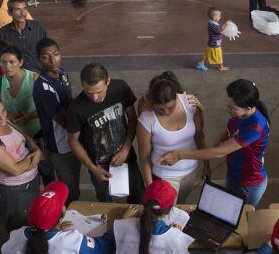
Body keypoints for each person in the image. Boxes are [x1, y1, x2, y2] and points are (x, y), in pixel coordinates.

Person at [160, 79, 270, 207]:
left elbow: (219, 153)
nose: (226, 108)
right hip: (234, 173)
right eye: (228, 104)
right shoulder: (240, 114)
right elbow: (232, 127)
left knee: (239, 218)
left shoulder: (255, 127)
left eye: (232, 107)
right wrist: (220, 138)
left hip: (248, 183)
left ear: (248, 108)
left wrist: (178, 155)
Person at [67, 63, 143, 203]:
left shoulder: (120, 88)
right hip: (99, 168)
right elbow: (73, 141)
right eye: (88, 92)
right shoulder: (76, 108)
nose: (94, 98)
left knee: (138, 198)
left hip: (127, 159)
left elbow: (132, 120)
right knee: (108, 205)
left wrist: (125, 149)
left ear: (108, 81)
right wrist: (92, 168)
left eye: (99, 91)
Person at [1, 181, 116, 254]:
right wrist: (118, 225)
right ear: (61, 216)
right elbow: (103, 248)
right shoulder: (73, 242)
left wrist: (57, 231)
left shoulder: (17, 235)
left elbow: (7, 253)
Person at [0, 92, 42, 232]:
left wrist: (37, 152)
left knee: (34, 221)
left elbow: (28, 139)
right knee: (21, 231)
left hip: (31, 181)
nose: (2, 117)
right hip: (14, 191)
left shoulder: (6, 121)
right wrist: (35, 156)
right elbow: (15, 170)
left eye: (3, 110)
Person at [137, 72, 209, 203]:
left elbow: (199, 135)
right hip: (164, 176)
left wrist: (206, 164)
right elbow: (144, 158)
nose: (166, 112)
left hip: (191, 171)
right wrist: (150, 185)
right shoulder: (146, 118)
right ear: (152, 103)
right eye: (160, 110)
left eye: (170, 107)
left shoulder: (190, 103)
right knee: (165, 214)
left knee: (181, 206)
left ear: (177, 96)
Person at [33, 38, 81, 204]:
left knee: (74, 181)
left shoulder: (63, 74)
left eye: (56, 54)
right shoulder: (43, 88)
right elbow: (64, 121)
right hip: (61, 146)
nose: (53, 60)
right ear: (39, 59)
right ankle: (66, 221)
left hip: (71, 140)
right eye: (46, 56)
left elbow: (70, 101)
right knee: (69, 189)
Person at [112, 180, 194, 254]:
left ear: (144, 203)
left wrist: (123, 221)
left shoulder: (124, 228)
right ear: (169, 211)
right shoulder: (177, 241)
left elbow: (113, 242)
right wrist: (177, 238)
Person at [0, 45, 41, 138]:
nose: (7, 66)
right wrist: (6, 115)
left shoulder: (35, 79)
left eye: (12, 62)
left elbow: (47, 106)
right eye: (3, 62)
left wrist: (30, 116)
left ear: (21, 62)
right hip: (12, 134)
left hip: (37, 132)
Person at [0, 0, 47, 73]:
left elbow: (46, 49)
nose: (22, 13)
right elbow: (3, 57)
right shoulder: (3, 32)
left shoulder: (37, 27)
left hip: (39, 74)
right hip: (18, 77)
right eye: (18, 9)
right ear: (9, 12)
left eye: (24, 8)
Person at [196, 7, 230, 71]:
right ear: (214, 17)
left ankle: (201, 63)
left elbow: (218, 31)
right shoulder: (214, 25)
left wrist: (225, 25)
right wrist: (226, 25)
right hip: (215, 44)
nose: (220, 17)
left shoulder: (211, 23)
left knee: (208, 54)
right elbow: (220, 32)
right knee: (218, 55)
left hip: (211, 42)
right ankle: (221, 67)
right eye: (219, 16)